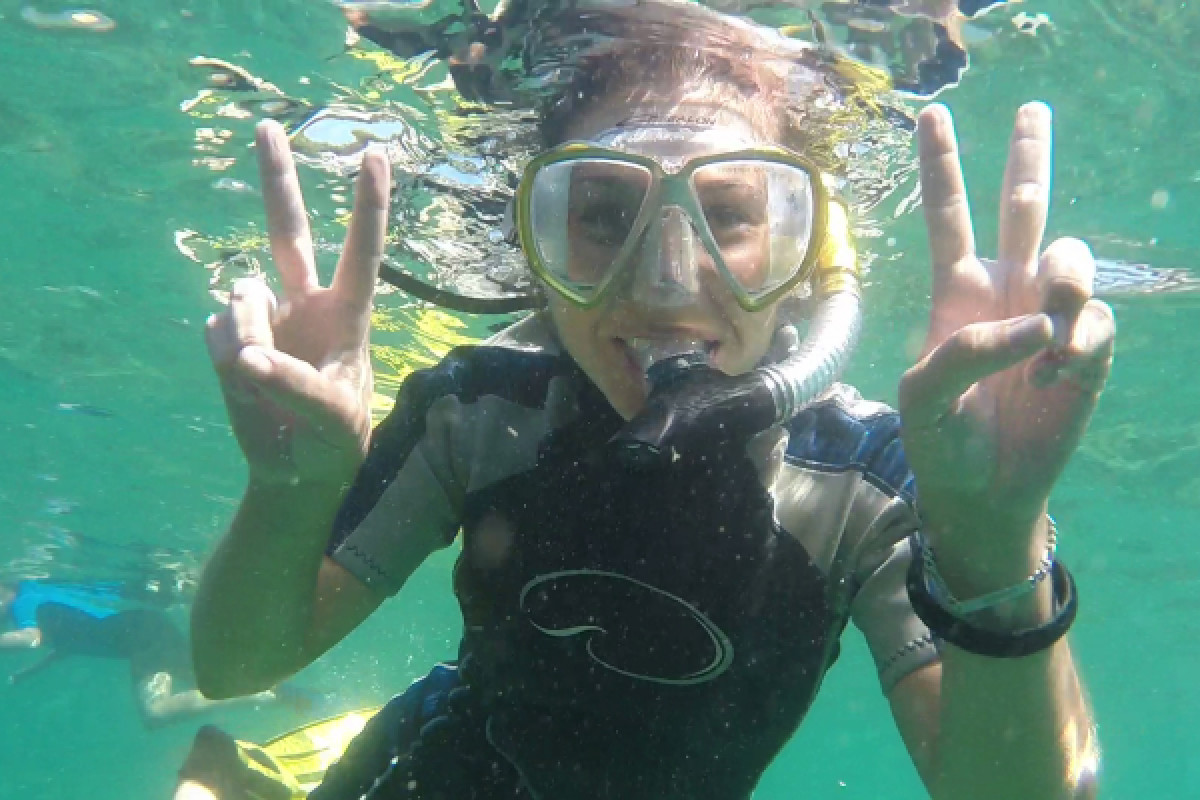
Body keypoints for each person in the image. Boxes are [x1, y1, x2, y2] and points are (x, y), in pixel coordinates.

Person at [186, 2, 1113, 797]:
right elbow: (236, 664)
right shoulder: (478, 408)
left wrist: (998, 542)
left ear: (806, 255)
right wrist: (288, 491)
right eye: (600, 216)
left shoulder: (874, 477)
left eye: (731, 216)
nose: (666, 286)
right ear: (537, 244)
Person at [0, 578, 286, 727]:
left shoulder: (25, 601)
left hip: (142, 636)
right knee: (210, 682)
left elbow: (30, 639)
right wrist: (32, 672)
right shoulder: (39, 595)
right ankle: (293, 694)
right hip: (147, 628)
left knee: (156, 712)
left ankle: (261, 694)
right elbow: (72, 639)